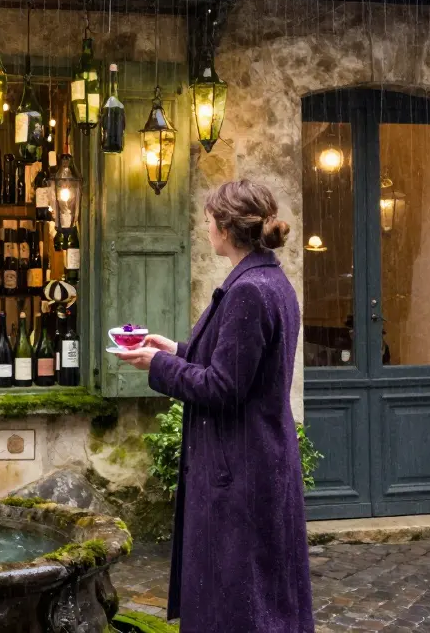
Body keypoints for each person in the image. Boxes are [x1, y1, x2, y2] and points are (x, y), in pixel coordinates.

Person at [115, 179, 314, 632]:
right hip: (256, 460)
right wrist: (180, 350)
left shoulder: (249, 290)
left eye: (208, 218)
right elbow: (240, 366)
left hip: (239, 471)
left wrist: (158, 365)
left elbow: (224, 386)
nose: (204, 225)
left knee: (240, 602)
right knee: (260, 592)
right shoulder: (269, 280)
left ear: (225, 228)